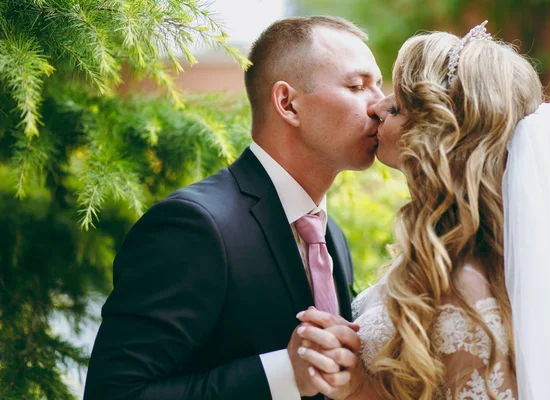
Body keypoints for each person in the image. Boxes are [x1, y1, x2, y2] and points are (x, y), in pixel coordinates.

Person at [83, 16, 384, 400]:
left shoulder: (329, 235)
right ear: (288, 104)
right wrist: (284, 374)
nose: (380, 105)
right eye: (357, 86)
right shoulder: (193, 227)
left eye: (378, 85)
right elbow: (114, 393)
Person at [295, 21, 550, 399]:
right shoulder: (450, 255)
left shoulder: (466, 284)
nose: (375, 106)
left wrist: (358, 382)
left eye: (399, 105)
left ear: (438, 136)